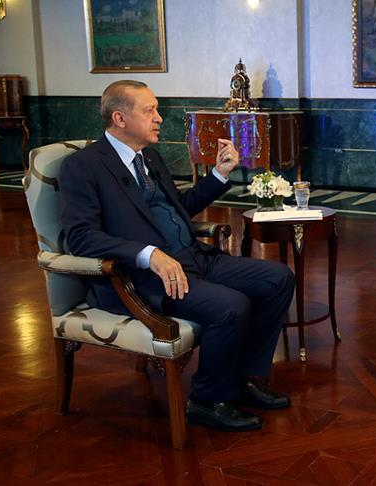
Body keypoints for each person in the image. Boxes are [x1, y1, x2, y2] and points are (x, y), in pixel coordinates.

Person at [59, 80, 296, 433]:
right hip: (142, 278)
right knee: (231, 306)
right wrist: (148, 254)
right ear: (120, 119)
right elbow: (79, 237)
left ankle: (241, 379)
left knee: (278, 279)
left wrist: (219, 175)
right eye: (150, 111)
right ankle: (206, 401)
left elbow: (178, 209)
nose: (159, 118)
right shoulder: (83, 166)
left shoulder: (149, 157)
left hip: (193, 257)